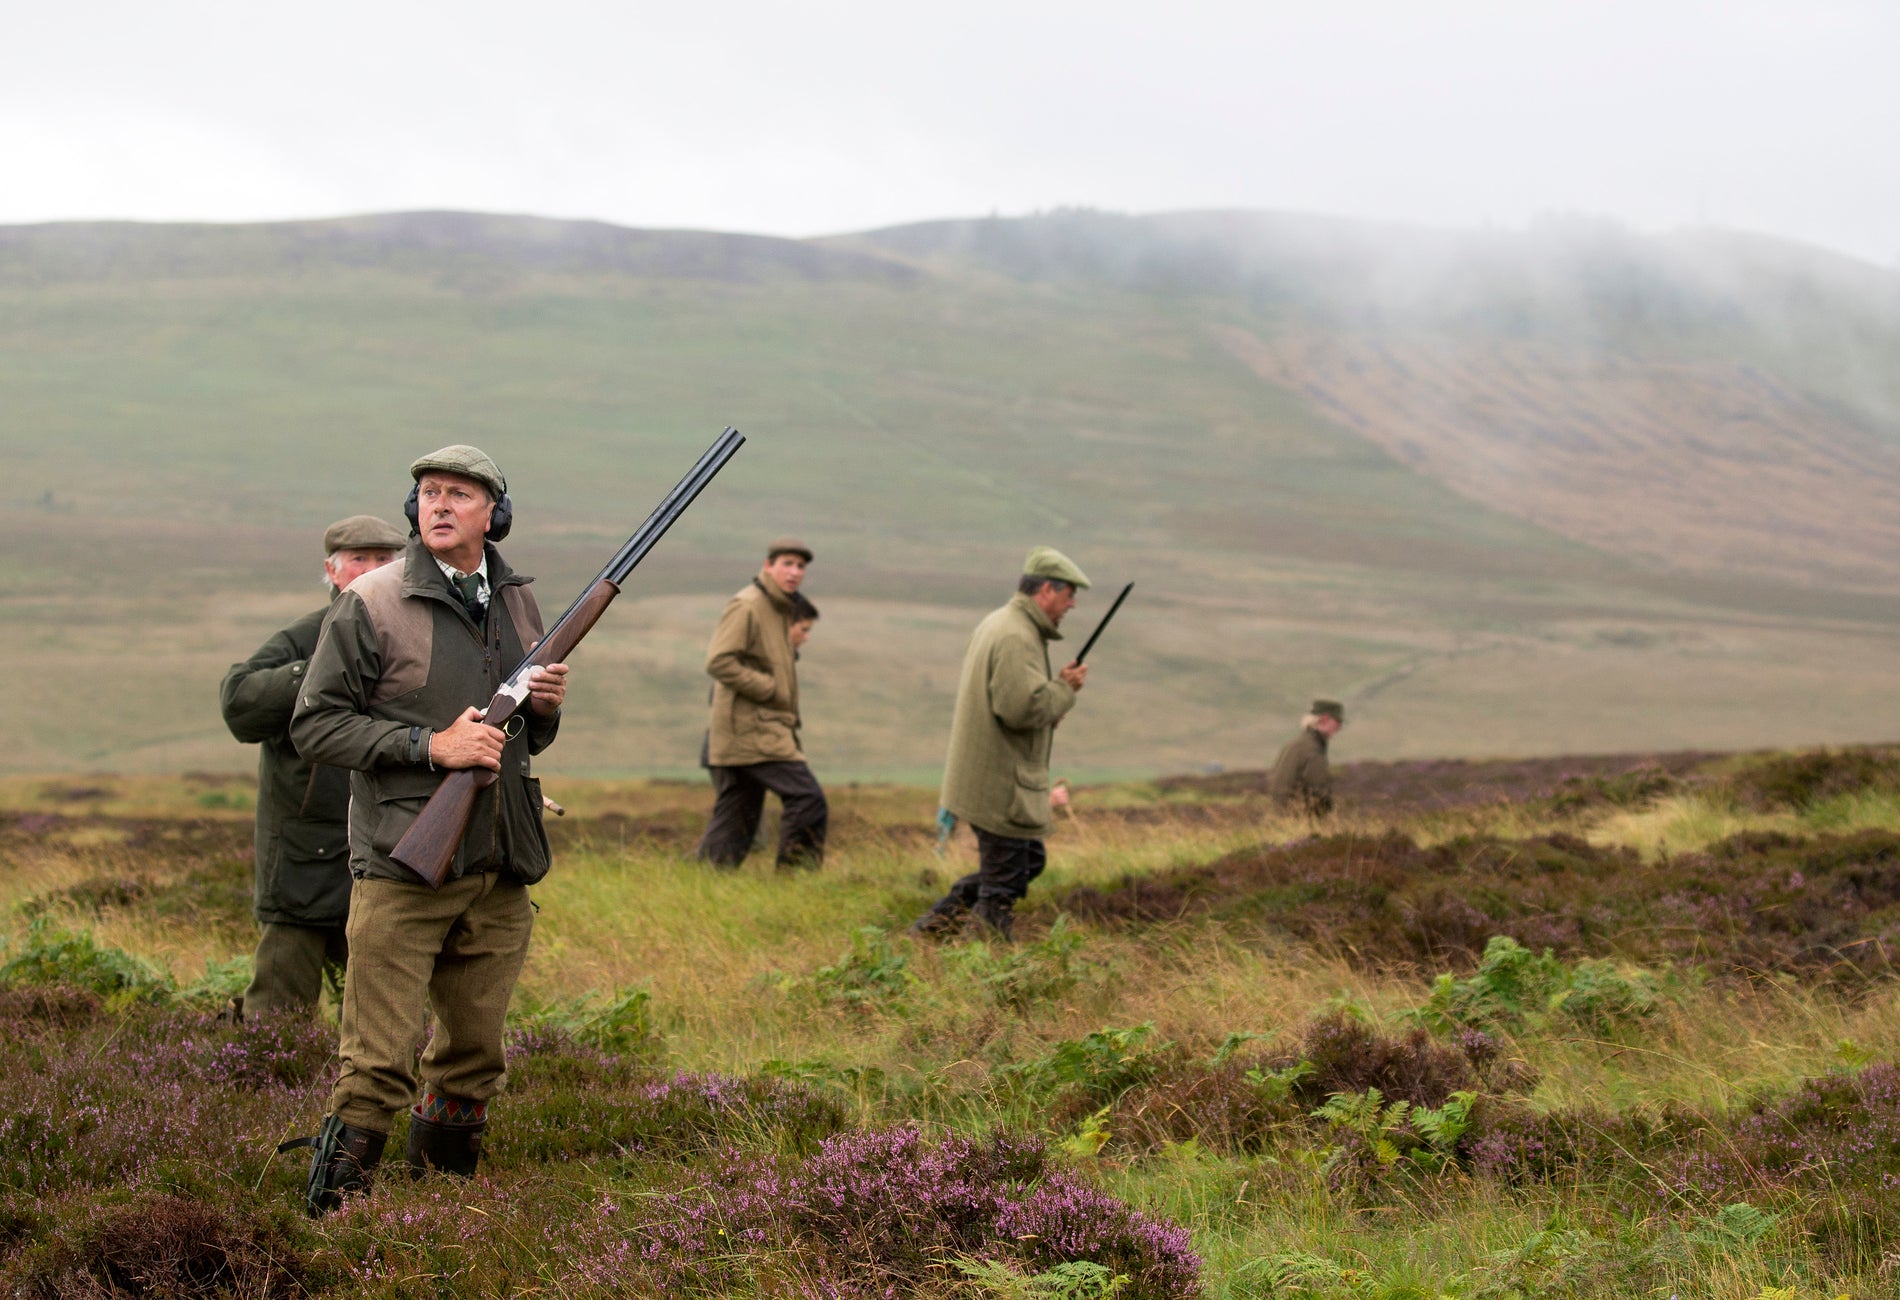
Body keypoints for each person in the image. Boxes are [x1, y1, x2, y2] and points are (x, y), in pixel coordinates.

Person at [286, 445, 569, 1215]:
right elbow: (316, 726)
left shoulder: (517, 601)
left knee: (475, 1056)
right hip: (404, 862)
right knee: (376, 1062)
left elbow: (523, 741)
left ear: (493, 513)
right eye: (428, 492)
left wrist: (544, 710)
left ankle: (441, 1219)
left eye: (459, 493)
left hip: (501, 862)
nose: (439, 504)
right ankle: (333, 1224)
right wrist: (428, 745)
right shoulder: (372, 601)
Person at [219, 515, 405, 1019]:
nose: (372, 570)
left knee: (380, 1010)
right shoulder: (305, 637)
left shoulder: (412, 637)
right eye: (358, 559)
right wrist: (317, 666)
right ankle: (248, 1072)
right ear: (331, 569)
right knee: (277, 1013)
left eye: (384, 559)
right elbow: (239, 703)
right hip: (303, 857)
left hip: (384, 851)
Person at [911, 547, 1091, 941]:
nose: (1072, 604)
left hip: (988, 778)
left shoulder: (1002, 623)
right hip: (1001, 786)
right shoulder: (1017, 636)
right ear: (1047, 589)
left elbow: (1012, 701)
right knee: (1003, 885)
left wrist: (1051, 697)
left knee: (1027, 860)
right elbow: (1020, 709)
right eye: (1069, 594)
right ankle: (981, 963)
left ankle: (929, 933)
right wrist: (1064, 689)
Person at [695, 538, 828, 870]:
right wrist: (768, 687)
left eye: (801, 566)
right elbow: (719, 661)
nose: (795, 572)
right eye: (788, 563)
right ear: (769, 565)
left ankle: (704, 882)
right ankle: (796, 881)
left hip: (758, 727)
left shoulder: (778, 608)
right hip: (752, 730)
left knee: (737, 816)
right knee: (807, 799)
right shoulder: (748, 605)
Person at [1267, 699, 1345, 817]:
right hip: (1299, 818)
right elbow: (1320, 791)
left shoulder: (1294, 745)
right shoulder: (1312, 750)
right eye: (1338, 721)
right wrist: (1330, 818)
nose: (1339, 727)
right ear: (1324, 719)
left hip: (1281, 817)